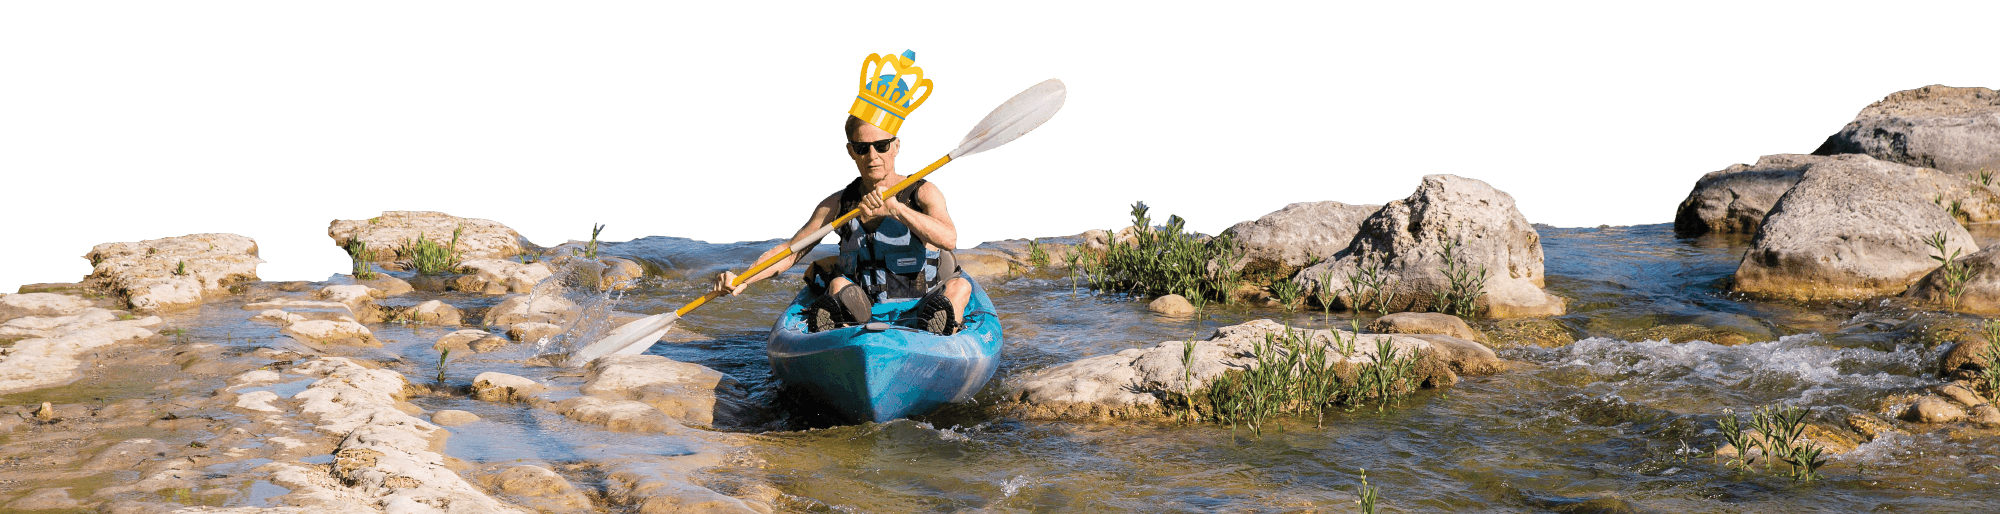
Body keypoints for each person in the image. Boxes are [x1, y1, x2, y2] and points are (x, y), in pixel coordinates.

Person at [712, 113, 972, 335]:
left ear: (896, 146)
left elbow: (948, 239)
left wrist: (897, 209)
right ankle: (843, 335)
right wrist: (744, 279)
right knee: (836, 284)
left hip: (920, 302)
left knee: (961, 286)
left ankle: (937, 330)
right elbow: (791, 251)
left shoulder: (923, 193)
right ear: (851, 151)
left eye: (881, 145)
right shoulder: (837, 204)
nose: (872, 155)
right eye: (862, 148)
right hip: (863, 305)